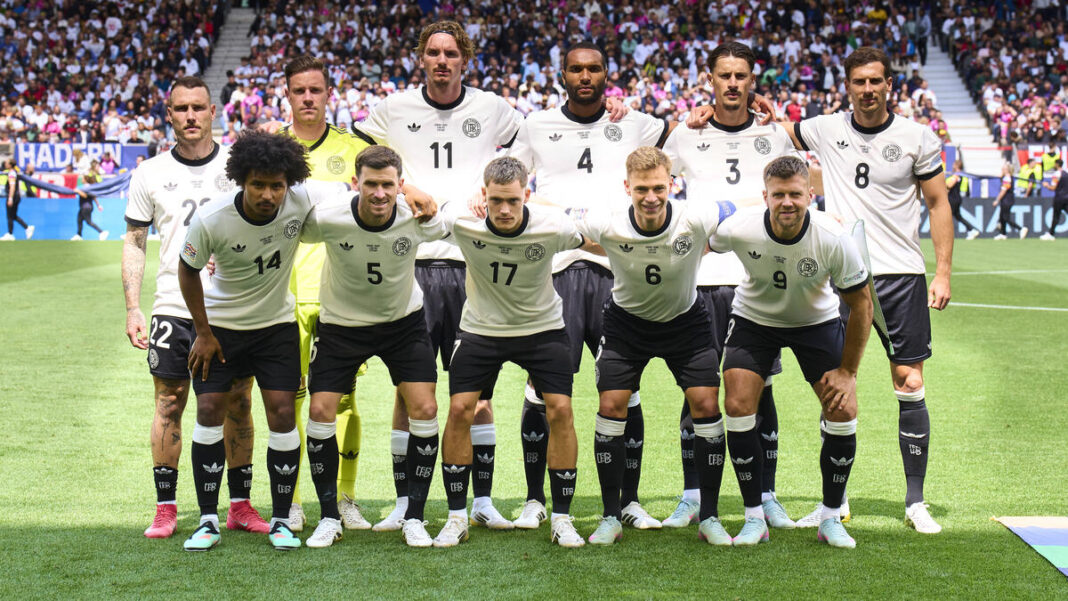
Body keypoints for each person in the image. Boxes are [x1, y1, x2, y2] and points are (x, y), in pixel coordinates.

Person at [690, 46, 953, 533]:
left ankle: (915, 501)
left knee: (909, 381)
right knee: (830, 386)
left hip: (898, 272)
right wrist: (714, 109)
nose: (868, 90)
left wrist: (942, 272)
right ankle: (837, 504)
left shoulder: (916, 136)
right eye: (859, 82)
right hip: (834, 273)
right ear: (847, 87)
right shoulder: (824, 127)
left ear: (889, 85)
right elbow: (766, 122)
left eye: (875, 81)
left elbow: (938, 203)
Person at [354, 20, 524, 531]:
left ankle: (482, 501)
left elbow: (527, 149)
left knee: (479, 394)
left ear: (464, 60)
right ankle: (405, 504)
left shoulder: (492, 107)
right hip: (411, 263)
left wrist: (493, 185)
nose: (442, 61)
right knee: (410, 392)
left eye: (451, 53)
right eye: (434, 52)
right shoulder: (394, 108)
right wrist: (404, 189)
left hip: (472, 265)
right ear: (421, 58)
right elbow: (361, 157)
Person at [504, 41, 668, 531]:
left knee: (623, 387)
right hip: (555, 271)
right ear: (562, 75)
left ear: (606, 76)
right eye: (575, 69)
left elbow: (678, 141)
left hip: (618, 271)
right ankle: (535, 499)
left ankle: (627, 501)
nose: (585, 76)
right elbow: (511, 181)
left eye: (594, 69)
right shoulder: (535, 125)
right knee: (543, 386)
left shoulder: (634, 122)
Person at [660, 41, 812, 530]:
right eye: (723, 75)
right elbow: (654, 185)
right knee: (698, 390)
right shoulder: (686, 134)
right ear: (710, 80)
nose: (732, 83)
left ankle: (765, 495)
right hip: (701, 280)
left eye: (740, 75)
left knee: (759, 389)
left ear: (752, 80)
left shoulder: (774, 134)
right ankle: (692, 496)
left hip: (757, 282)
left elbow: (802, 188)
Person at [122, 76, 267, 540]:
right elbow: (135, 241)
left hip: (230, 306)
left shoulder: (236, 166)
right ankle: (166, 508)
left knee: (238, 402)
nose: (190, 116)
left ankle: (239, 506)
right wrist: (133, 307)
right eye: (181, 108)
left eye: (198, 107)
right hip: (172, 305)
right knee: (169, 402)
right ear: (169, 114)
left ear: (212, 112)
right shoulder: (149, 173)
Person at [711, 156, 872, 548]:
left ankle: (831, 517)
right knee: (737, 404)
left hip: (815, 321)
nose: (787, 202)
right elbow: (700, 243)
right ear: (764, 196)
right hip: (754, 319)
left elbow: (862, 304)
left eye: (795, 195)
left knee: (842, 409)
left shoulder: (833, 237)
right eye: (778, 194)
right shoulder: (740, 227)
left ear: (810, 195)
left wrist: (848, 373)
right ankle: (754, 517)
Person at [432, 157, 592, 548]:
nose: (504, 210)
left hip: (542, 330)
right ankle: (456, 517)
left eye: (513, 201)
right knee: (459, 410)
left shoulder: (552, 226)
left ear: (527, 196)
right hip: (481, 330)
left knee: (561, 410)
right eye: (496, 200)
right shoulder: (462, 221)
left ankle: (561, 518)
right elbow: (416, 214)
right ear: (483, 195)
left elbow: (600, 240)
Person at [577, 147, 733, 546]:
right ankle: (611, 516)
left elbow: (737, 207)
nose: (651, 197)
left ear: (672, 185)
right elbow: (564, 228)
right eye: (642, 189)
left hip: (686, 323)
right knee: (612, 405)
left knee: (706, 406)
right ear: (627, 187)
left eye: (659, 188)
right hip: (626, 326)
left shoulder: (694, 216)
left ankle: (710, 516)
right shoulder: (606, 221)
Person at [299, 146, 443, 548]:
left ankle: (414, 517)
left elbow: (455, 225)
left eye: (388, 185)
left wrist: (417, 194)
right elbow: (290, 208)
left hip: (403, 325)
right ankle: (329, 517)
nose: (379, 193)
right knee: (320, 410)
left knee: (425, 409)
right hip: (341, 327)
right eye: (371, 184)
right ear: (355, 183)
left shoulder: (417, 216)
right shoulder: (329, 216)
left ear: (400, 185)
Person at [176, 130, 314, 551]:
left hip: (275, 329)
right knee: (209, 409)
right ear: (241, 180)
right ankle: (207, 521)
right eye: (258, 184)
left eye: (277, 186)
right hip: (220, 330)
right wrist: (202, 332)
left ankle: (281, 520)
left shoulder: (301, 201)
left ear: (288, 183)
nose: (268, 195)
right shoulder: (212, 218)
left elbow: (353, 196)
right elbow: (187, 270)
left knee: (283, 413)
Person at [279, 54, 373, 533]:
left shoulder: (355, 149)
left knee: (344, 401)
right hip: (284, 295)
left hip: (341, 293)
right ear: (287, 94)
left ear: (328, 94)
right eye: (299, 90)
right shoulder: (272, 149)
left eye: (315, 90)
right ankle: (293, 502)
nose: (308, 98)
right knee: (289, 400)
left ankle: (345, 498)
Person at [945, 160, 981, 240]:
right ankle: (971, 230)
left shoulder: (957, 175)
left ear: (957, 165)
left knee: (947, 216)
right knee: (958, 216)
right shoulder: (959, 175)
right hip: (956, 198)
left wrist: (942, 183)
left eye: (954, 164)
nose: (952, 166)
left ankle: (946, 234)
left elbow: (949, 185)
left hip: (953, 199)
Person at [994, 163, 1027, 240]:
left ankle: (1020, 228)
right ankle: (1003, 233)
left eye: (1003, 168)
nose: (1002, 169)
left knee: (1006, 218)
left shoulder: (1007, 178)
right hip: (1007, 199)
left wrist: (997, 200)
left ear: (1007, 170)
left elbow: (1003, 190)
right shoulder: (1007, 177)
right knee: (1002, 217)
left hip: (1007, 200)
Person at [2, 159, 34, 240]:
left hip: (13, 196)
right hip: (16, 196)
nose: (5, 164)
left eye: (7, 163)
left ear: (10, 165)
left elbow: (12, 186)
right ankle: (27, 228)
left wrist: (10, 198)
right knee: (13, 216)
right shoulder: (14, 172)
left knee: (10, 215)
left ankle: (10, 234)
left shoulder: (11, 173)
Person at [1040, 159, 1068, 240]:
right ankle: (1051, 233)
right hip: (1066, 198)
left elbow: (1053, 187)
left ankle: (1051, 234)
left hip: (1059, 198)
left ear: (1057, 164)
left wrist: (1046, 185)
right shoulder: (1066, 173)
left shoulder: (1056, 174)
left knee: (1056, 216)